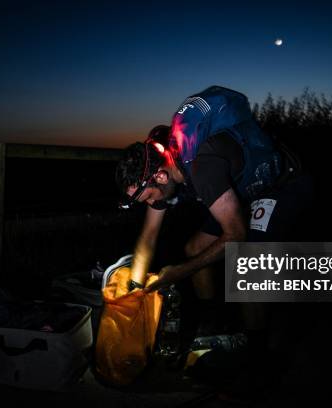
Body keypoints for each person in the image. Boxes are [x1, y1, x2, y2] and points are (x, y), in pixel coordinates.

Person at [115, 86, 314, 359]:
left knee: (248, 265)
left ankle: (258, 356)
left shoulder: (201, 166)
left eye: (147, 197)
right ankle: (215, 324)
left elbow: (235, 235)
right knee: (195, 247)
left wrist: (179, 272)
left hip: (282, 185)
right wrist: (134, 292)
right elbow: (148, 236)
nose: (151, 204)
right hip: (239, 189)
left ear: (159, 178)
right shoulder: (162, 167)